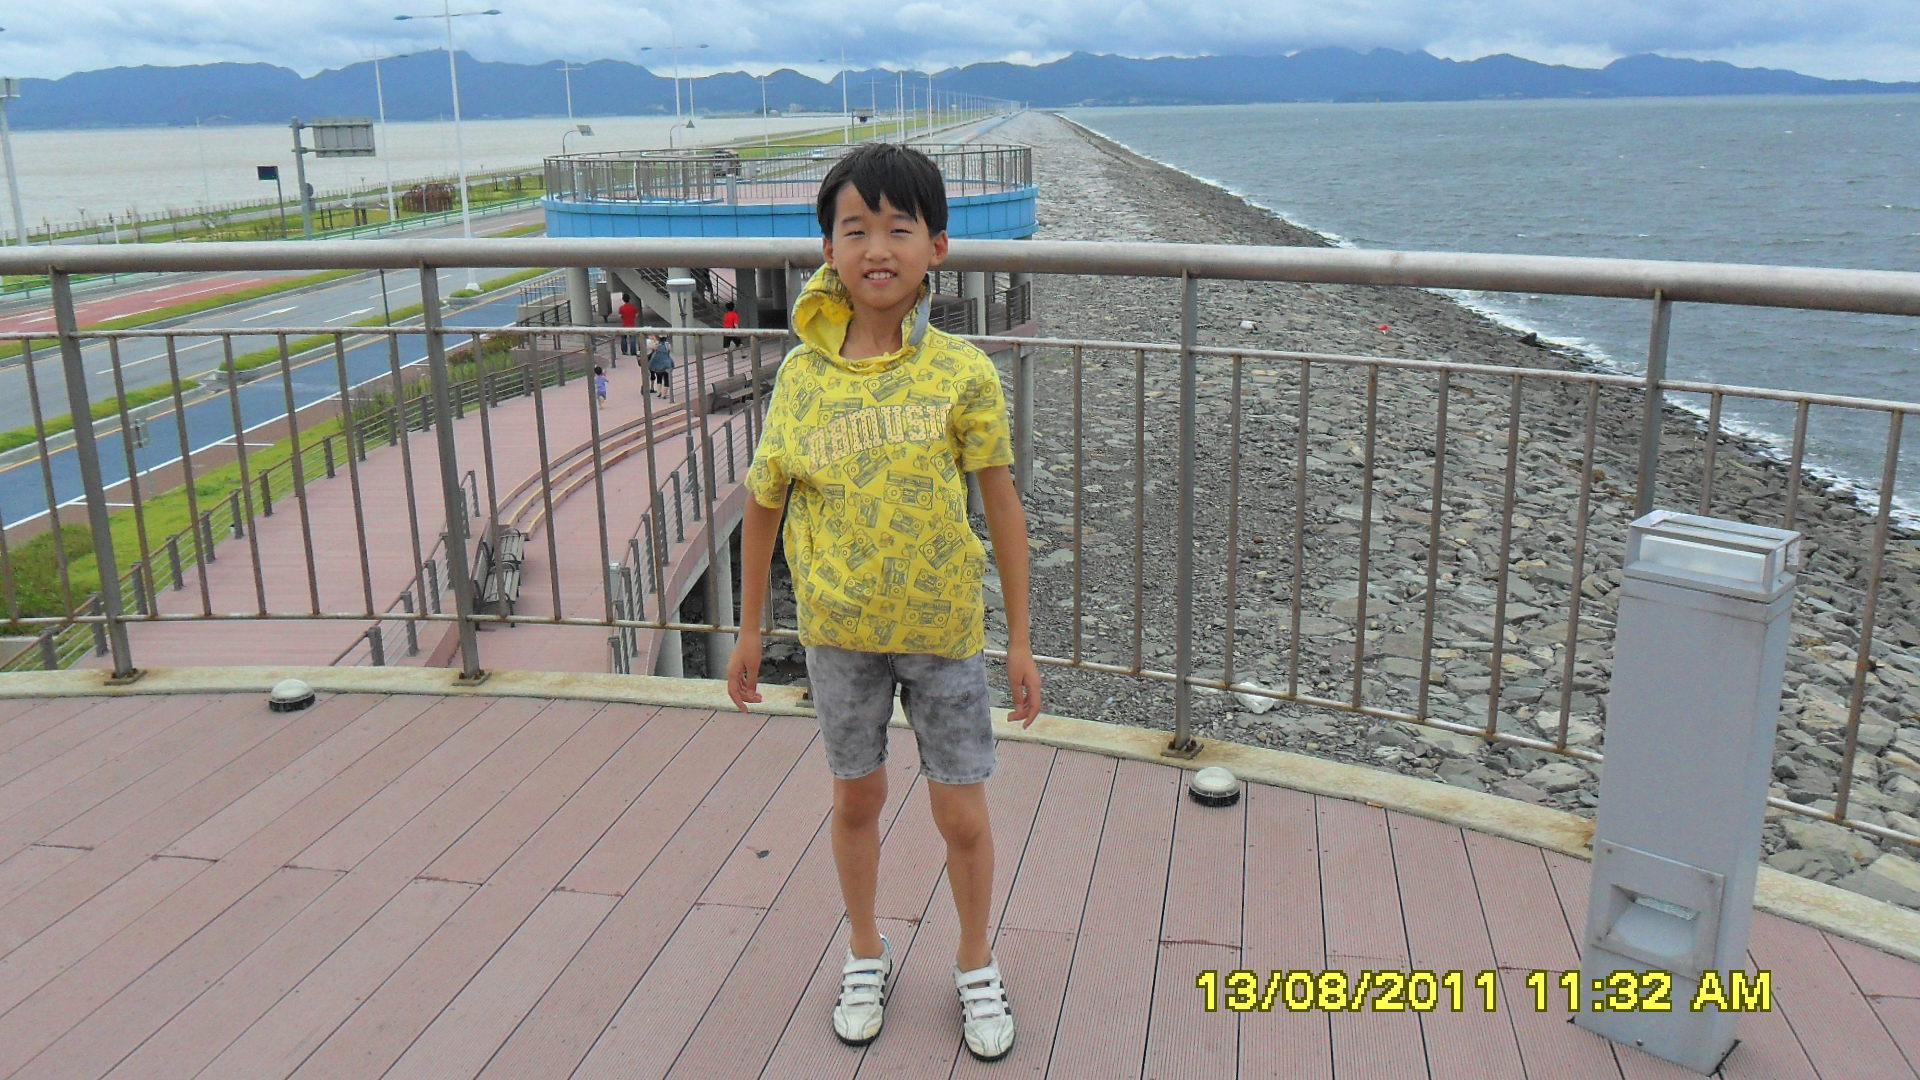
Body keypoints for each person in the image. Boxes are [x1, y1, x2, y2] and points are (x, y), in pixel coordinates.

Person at [727, 143, 1041, 1063]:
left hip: (945, 634)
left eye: (900, 228)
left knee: (962, 814)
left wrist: (1021, 640)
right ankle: (866, 949)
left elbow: (1002, 505)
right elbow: (763, 505)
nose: (877, 248)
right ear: (828, 247)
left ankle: (975, 959)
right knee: (855, 797)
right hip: (838, 636)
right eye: (855, 228)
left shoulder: (962, 373)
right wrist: (749, 630)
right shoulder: (800, 378)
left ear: (936, 246)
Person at [647, 334, 675, 399]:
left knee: (659, 377)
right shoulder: (668, 345)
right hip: (666, 363)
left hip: (657, 363)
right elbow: (669, 351)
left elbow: (652, 348)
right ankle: (664, 394)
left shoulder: (656, 345)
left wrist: (654, 340)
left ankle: (659, 392)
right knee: (666, 378)